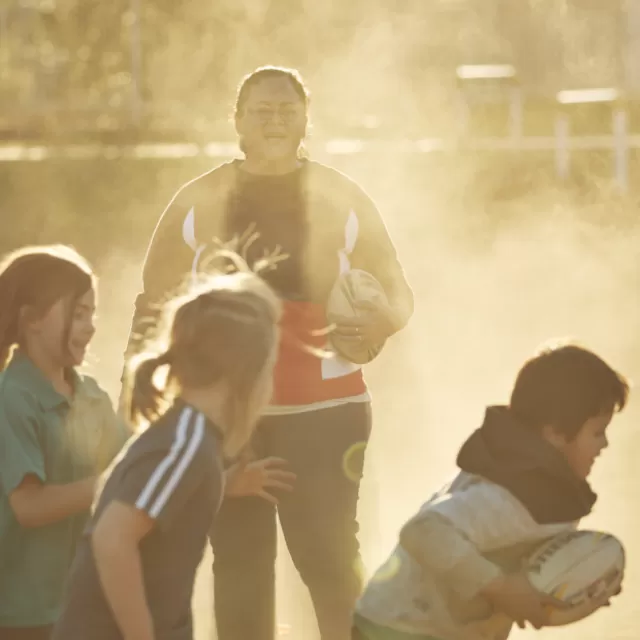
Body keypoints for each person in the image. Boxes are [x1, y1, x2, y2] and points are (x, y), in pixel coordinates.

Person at [124, 65, 414, 640]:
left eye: (287, 109)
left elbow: (399, 296)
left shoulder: (342, 195)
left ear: (306, 119)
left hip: (326, 414)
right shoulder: (198, 199)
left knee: (332, 566)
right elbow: (152, 304)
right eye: (262, 110)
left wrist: (377, 320)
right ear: (237, 122)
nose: (275, 120)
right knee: (240, 572)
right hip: (230, 418)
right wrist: (136, 396)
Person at [52, 264, 282, 640]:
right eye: (270, 370)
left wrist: (222, 484)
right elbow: (112, 536)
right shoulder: (186, 443)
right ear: (246, 374)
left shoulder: (188, 441)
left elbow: (151, 503)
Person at [353, 343, 629, 640]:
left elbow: (532, 568)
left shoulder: (546, 487)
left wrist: (581, 585)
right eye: (597, 432)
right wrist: (502, 588)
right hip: (399, 630)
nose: (604, 446)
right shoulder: (509, 493)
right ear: (555, 434)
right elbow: (423, 530)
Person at [0, 245, 129, 640]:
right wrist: (109, 483)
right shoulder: (12, 398)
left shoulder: (92, 397)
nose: (90, 327)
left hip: (82, 604)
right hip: (21, 613)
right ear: (31, 319)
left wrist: (224, 478)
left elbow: (136, 467)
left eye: (92, 314)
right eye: (77, 314)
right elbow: (29, 506)